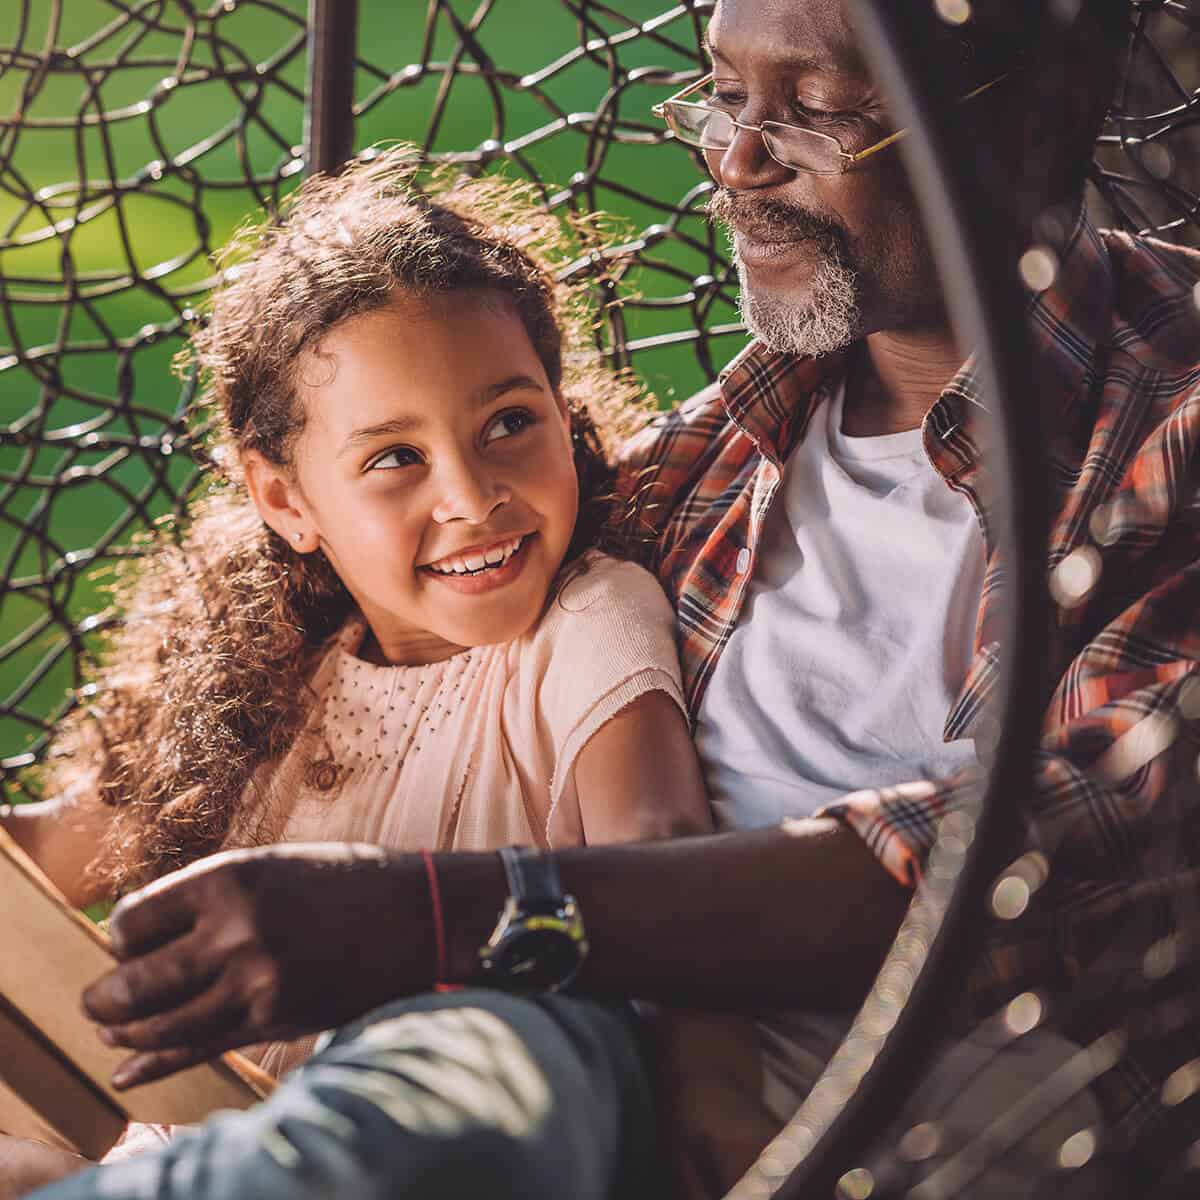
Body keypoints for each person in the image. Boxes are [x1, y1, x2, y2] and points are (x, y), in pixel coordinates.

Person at [19, 0, 1200, 1196]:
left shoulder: (1165, 425)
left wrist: (443, 916)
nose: (736, 162)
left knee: (463, 1063)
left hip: (862, 1092)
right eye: (726, 96)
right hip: (535, 1035)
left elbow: (1069, 840)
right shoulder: (710, 460)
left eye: (817, 110)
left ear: (1036, 118)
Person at [0, 151, 712, 1192]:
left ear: (566, 414)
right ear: (287, 502)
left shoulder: (586, 622)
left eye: (511, 423)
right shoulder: (268, 679)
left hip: (427, 1138)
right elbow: (51, 851)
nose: (473, 496)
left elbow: (668, 872)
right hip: (199, 1145)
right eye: (394, 458)